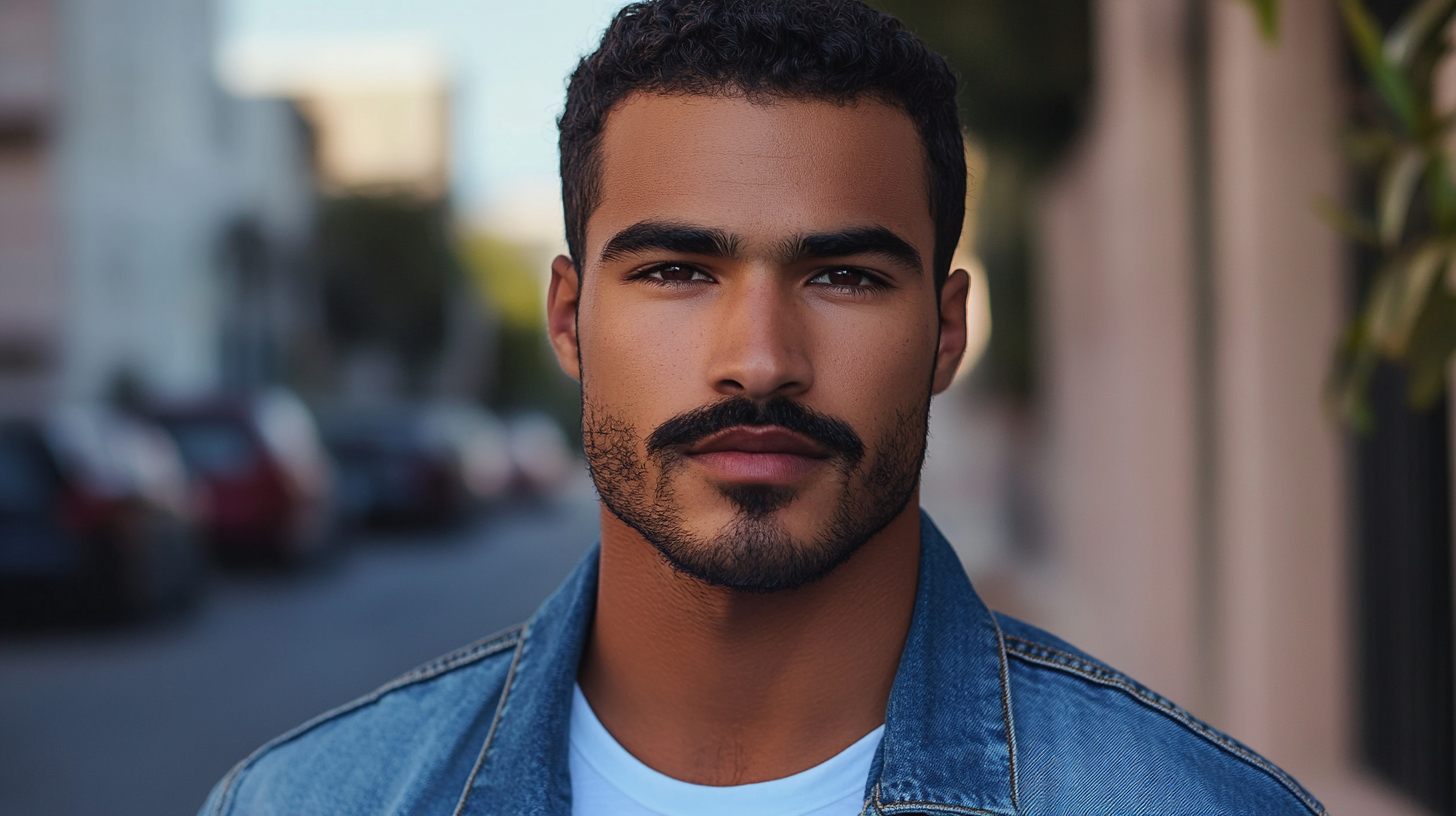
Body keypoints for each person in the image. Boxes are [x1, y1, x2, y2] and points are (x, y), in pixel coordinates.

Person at [199, 1, 1326, 814]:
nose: (758, 362)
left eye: (843, 277)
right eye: (679, 272)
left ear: (944, 333)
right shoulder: (305, 801)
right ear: (568, 316)